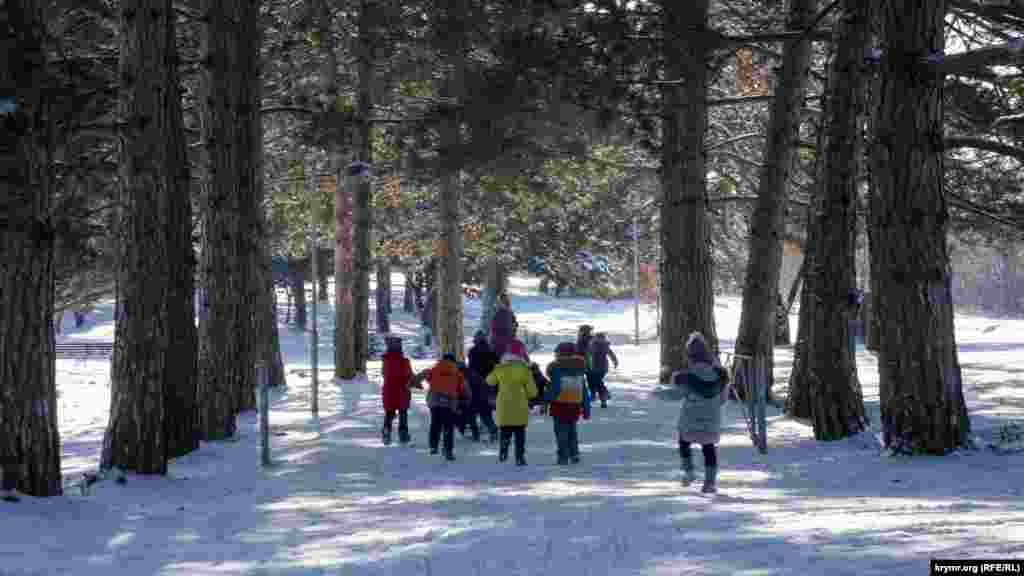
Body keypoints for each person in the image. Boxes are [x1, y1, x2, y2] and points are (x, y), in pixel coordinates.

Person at [673, 332, 729, 493]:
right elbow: (723, 399)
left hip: (690, 419)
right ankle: (709, 482)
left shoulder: (687, 376)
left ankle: (689, 472)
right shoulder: (720, 376)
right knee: (708, 448)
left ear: (690, 355)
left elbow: (678, 394)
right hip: (711, 420)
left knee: (684, 442)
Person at [486, 347, 537, 466]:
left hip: (504, 404)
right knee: (520, 434)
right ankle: (520, 457)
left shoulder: (500, 368)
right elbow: (532, 392)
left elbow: (489, 381)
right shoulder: (525, 369)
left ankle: (503, 452)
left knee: (505, 431)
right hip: (520, 405)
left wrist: (497, 370)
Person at [543, 342, 591, 465]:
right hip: (575, 405)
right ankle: (574, 454)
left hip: (560, 405)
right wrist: (586, 409)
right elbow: (584, 391)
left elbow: (555, 388)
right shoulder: (579, 370)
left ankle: (563, 456)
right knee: (572, 431)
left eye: (556, 353)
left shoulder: (557, 368)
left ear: (560, 354)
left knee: (561, 432)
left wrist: (546, 400)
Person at [420, 352, 469, 461]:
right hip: (449, 402)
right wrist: (466, 398)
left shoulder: (434, 369)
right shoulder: (457, 372)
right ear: (453, 361)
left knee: (435, 423)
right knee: (448, 426)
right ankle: (448, 450)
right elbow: (463, 388)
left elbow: (426, 377)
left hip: (434, 401)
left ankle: (433, 446)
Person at [381, 336, 415, 445]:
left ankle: (387, 430)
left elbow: (383, 374)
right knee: (403, 413)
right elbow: (410, 375)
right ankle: (403, 434)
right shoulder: (405, 362)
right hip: (402, 391)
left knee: (389, 412)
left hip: (389, 390)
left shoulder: (386, 361)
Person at [468, 330, 500, 442]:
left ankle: (480, 430)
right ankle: (488, 427)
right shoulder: (491, 350)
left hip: (476, 383)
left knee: (474, 408)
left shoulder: (472, 351)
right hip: (490, 383)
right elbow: (498, 364)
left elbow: (471, 367)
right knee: (486, 407)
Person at [587, 332, 619, 408]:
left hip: (595, 367)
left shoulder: (593, 345)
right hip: (603, 368)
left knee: (597, 382)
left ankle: (603, 396)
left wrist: (586, 364)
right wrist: (615, 362)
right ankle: (603, 398)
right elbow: (612, 355)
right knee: (598, 382)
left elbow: (588, 355)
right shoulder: (605, 345)